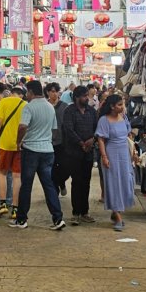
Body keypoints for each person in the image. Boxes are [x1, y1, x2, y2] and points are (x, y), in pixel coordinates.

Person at [10, 80, 65, 230]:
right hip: (47, 151)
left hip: (31, 150)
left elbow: (22, 126)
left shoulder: (29, 107)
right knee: (49, 185)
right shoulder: (50, 107)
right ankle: (58, 218)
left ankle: (21, 219)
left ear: (30, 92)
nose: (26, 95)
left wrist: (18, 141)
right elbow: (53, 128)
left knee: (26, 185)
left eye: (27, 92)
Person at [96, 94, 136, 232]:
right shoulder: (104, 120)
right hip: (111, 154)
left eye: (122, 104)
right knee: (114, 184)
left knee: (126, 182)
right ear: (112, 106)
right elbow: (101, 139)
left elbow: (129, 135)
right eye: (119, 105)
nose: (122, 107)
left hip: (124, 155)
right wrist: (104, 157)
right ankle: (118, 217)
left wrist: (133, 151)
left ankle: (116, 211)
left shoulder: (124, 117)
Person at [61, 86, 98, 224]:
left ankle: (85, 212)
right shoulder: (69, 111)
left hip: (88, 153)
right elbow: (68, 130)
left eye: (87, 95)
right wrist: (81, 143)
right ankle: (76, 213)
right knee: (76, 182)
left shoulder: (92, 111)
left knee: (86, 182)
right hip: (74, 153)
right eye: (84, 96)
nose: (87, 98)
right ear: (76, 97)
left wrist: (92, 140)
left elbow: (97, 128)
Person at [0, 82, 26, 218]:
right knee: (17, 176)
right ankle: (15, 208)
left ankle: (3, 204)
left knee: (2, 173)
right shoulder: (25, 104)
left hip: (5, 144)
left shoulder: (4, 102)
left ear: (10, 93)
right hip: (19, 144)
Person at [47, 82, 71, 196]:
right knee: (51, 167)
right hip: (48, 142)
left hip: (62, 141)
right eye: (52, 91)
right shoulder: (45, 106)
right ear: (47, 92)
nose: (55, 94)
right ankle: (55, 189)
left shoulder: (65, 106)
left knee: (65, 167)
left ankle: (61, 182)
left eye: (56, 91)